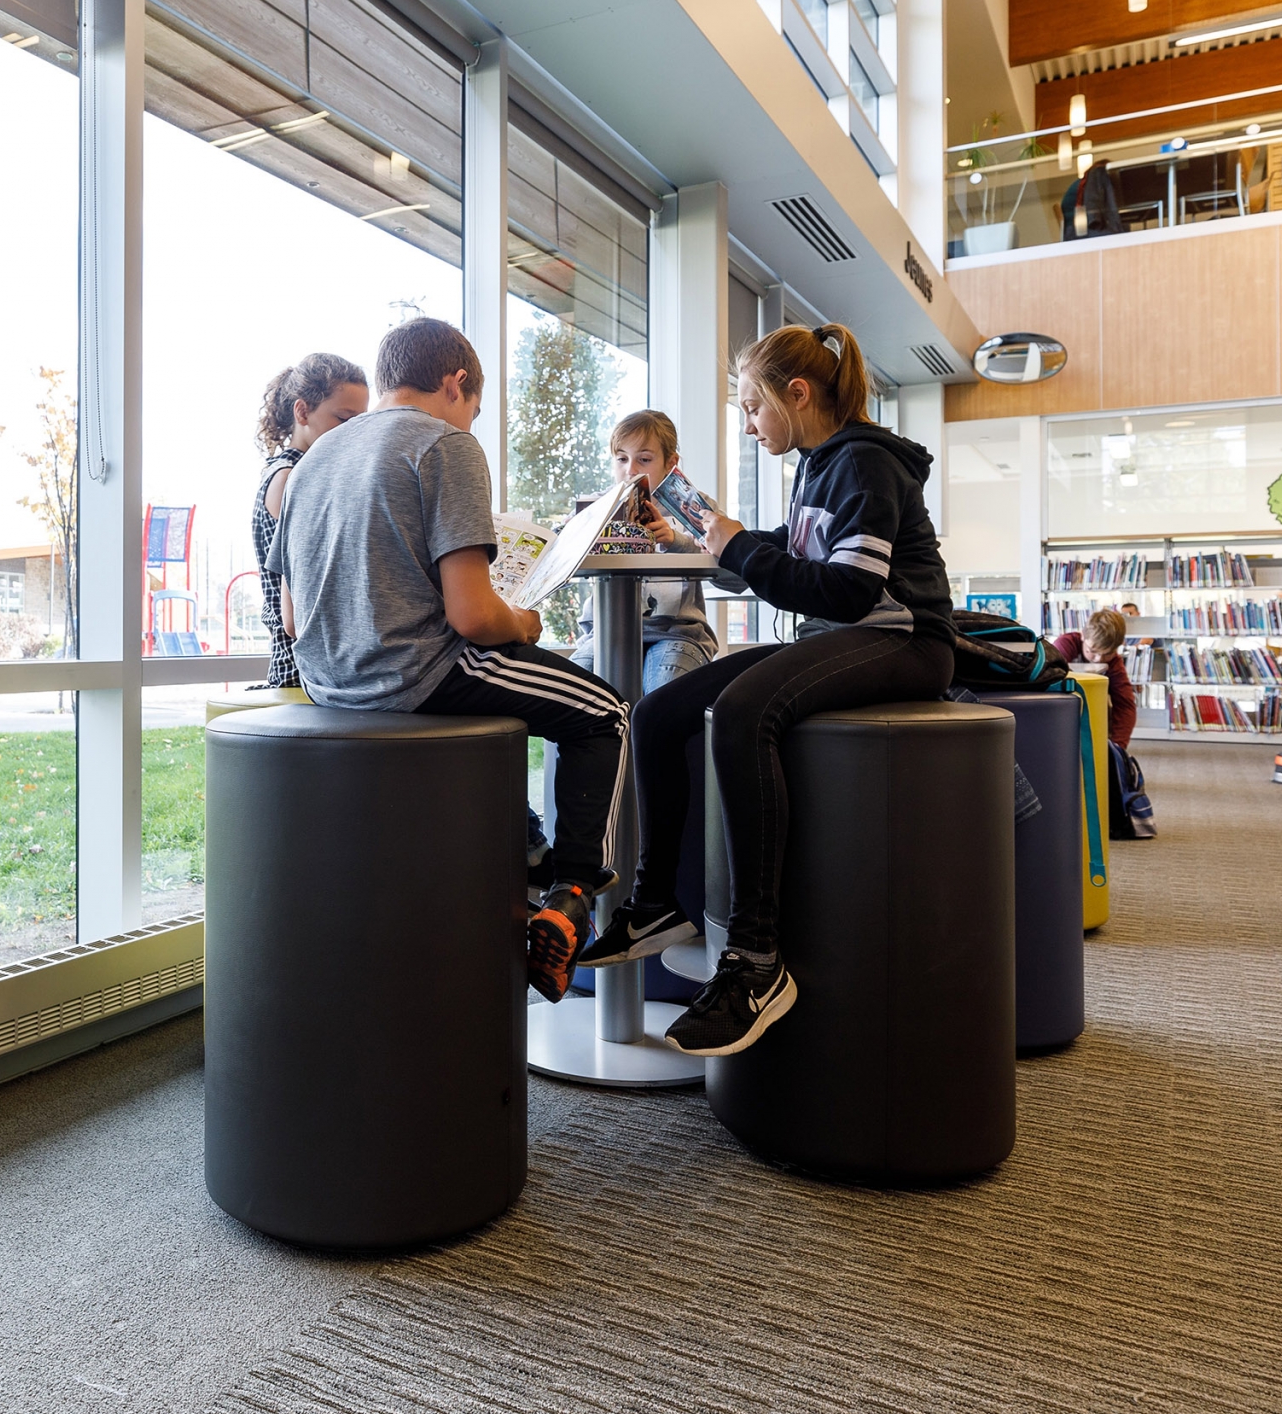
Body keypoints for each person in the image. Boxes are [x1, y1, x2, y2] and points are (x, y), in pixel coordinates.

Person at [580, 322, 956, 1057]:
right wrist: (692, 541)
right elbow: (781, 557)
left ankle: (756, 961)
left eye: (753, 408)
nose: (749, 426)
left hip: (904, 640)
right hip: (845, 636)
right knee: (660, 712)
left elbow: (848, 591)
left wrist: (732, 542)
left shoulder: (863, 464)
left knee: (744, 712)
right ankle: (656, 904)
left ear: (798, 393)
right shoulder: (818, 465)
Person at [274, 317, 627, 1003]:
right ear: (457, 381)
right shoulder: (446, 444)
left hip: (330, 688)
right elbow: (471, 615)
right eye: (474, 403)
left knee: (539, 697)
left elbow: (291, 616)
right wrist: (523, 619)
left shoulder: (313, 460)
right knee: (605, 711)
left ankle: (525, 859)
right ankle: (573, 895)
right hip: (420, 674)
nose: (471, 417)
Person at [570, 410, 719, 691]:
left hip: (678, 632)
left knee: (663, 692)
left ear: (671, 463)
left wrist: (677, 540)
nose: (631, 470)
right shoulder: (596, 507)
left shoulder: (697, 508)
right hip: (603, 633)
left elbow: (731, 568)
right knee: (570, 699)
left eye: (645, 459)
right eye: (622, 459)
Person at [250, 354, 368, 690]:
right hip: (304, 671)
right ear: (302, 412)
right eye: (344, 420)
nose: (353, 434)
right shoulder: (291, 477)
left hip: (315, 665)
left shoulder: (295, 471)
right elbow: (299, 608)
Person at [1056, 606, 1137, 751]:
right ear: (1082, 636)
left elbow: (1125, 706)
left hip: (1093, 719)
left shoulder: (1114, 663)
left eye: (1107, 654)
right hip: (1061, 718)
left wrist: (1117, 749)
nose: (1099, 659)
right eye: (1092, 651)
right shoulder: (1064, 646)